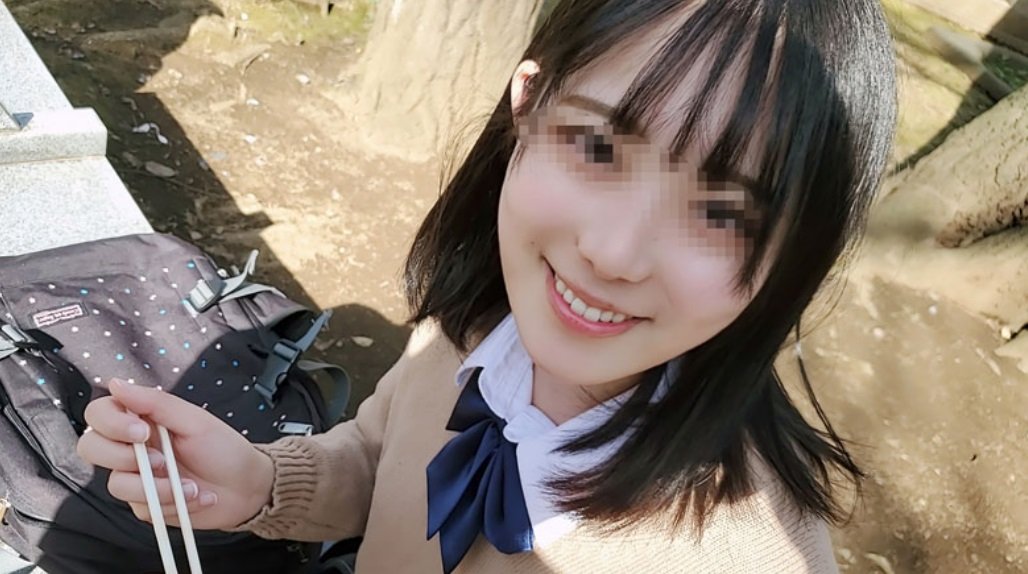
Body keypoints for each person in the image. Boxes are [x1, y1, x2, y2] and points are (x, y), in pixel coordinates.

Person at [76, 0, 898, 572]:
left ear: (799, 254)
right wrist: (262, 482)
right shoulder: (467, 332)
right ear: (527, 105)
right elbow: (380, 459)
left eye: (720, 212)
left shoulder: (748, 558)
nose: (613, 253)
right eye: (599, 148)